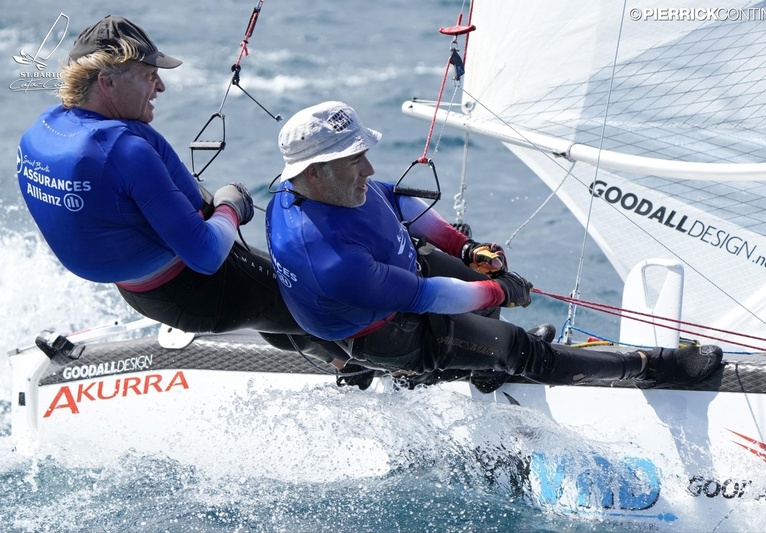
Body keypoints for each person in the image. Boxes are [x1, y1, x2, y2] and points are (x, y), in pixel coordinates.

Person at [266, 101, 723, 389]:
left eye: (364, 154)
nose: (368, 168)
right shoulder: (331, 258)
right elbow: (428, 298)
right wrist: (501, 291)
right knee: (522, 348)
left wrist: (465, 249)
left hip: (397, 278)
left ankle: (481, 371)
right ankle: (651, 366)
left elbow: (396, 200)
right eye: (354, 160)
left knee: (480, 282)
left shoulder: (332, 187)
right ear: (314, 173)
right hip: (391, 333)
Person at [16, 15, 342, 362]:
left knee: (270, 306)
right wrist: (232, 204)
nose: (160, 87)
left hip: (140, 291)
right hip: (198, 290)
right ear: (107, 82)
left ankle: (341, 364)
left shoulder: (42, 132)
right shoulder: (124, 151)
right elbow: (206, 254)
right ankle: (392, 370)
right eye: (148, 76)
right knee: (318, 305)